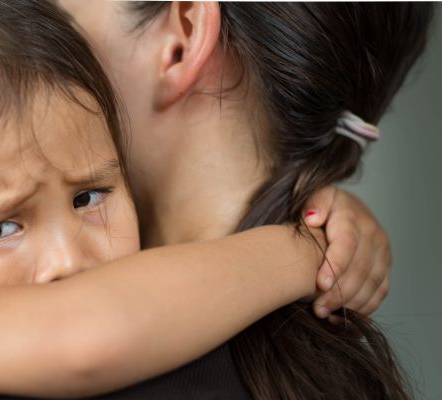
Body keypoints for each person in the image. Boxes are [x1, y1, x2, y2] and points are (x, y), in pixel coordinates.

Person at [0, 1, 406, 399]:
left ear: (182, 33)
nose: (69, 261)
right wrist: (301, 249)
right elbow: (85, 337)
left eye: (90, 195)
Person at [54, 1, 434, 399]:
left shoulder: (42, 365)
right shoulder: (335, 371)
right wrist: (301, 250)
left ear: (183, 39)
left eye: (64, 23)